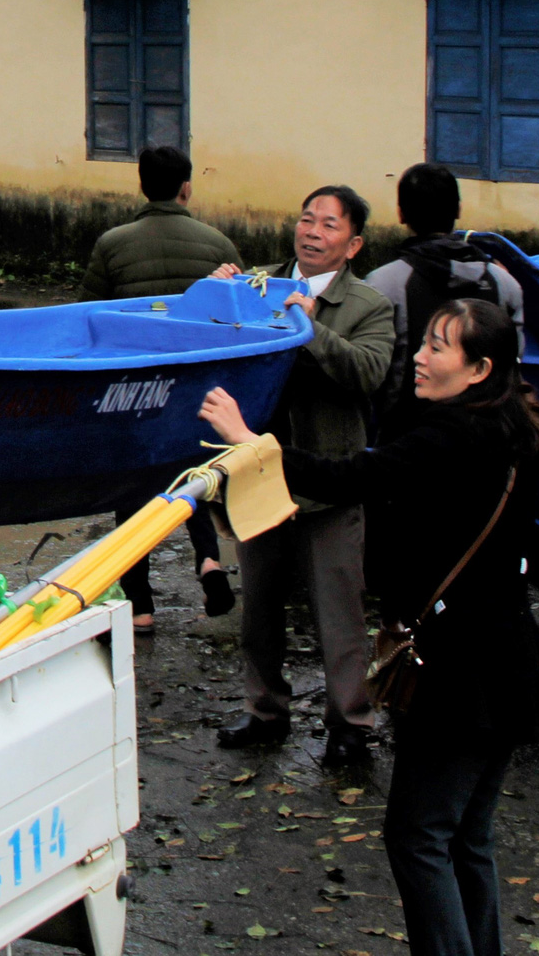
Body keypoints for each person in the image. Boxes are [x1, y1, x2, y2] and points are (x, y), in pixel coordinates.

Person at [201, 299, 539, 956]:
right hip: (508, 658)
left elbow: (352, 474)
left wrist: (252, 444)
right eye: (425, 342)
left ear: (479, 368)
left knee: (417, 836)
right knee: (466, 835)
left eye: (440, 347)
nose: (420, 355)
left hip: (460, 672)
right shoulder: (514, 426)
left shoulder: (451, 437)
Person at [211, 185, 394, 766]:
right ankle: (265, 711)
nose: (313, 232)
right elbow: (211, 345)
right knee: (259, 605)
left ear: (353, 244)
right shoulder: (258, 283)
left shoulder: (368, 305)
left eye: (330, 225)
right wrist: (214, 298)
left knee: (338, 611)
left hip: (329, 480)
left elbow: (368, 373)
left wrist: (314, 328)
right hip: (260, 470)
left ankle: (350, 723)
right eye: (306, 219)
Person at [81, 145, 243, 628]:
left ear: (141, 184)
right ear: (186, 187)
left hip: (131, 383)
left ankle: (141, 608)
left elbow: (87, 315)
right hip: (192, 379)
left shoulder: (112, 243)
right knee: (187, 468)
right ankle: (209, 560)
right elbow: (240, 311)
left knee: (131, 484)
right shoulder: (217, 244)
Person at [365, 163, 524, 420]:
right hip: (487, 437)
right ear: (458, 209)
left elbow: (372, 374)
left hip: (403, 439)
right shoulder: (503, 283)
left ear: (401, 214)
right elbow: (513, 365)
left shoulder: (382, 283)